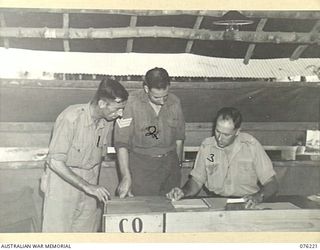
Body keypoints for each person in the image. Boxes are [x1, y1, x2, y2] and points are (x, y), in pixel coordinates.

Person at [41, 78, 128, 232]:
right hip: (63, 183)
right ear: (102, 104)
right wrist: (88, 187)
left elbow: (99, 157)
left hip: (90, 184)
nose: (120, 114)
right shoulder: (71, 117)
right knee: (56, 237)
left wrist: (93, 190)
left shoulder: (106, 122)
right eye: (116, 109)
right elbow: (55, 161)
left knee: (85, 236)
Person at [166, 107, 278, 209]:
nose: (219, 138)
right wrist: (183, 192)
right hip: (216, 202)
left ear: (237, 131)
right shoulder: (207, 146)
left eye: (226, 135)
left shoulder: (251, 146)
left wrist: (258, 196)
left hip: (246, 203)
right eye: (217, 132)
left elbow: (271, 183)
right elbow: (197, 180)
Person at [114, 67, 185, 197]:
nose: (163, 101)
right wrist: (126, 177)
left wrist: (177, 167)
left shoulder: (175, 102)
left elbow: (179, 138)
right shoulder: (131, 103)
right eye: (157, 97)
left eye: (165, 96)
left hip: (170, 167)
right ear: (146, 89)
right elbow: (121, 144)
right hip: (142, 168)